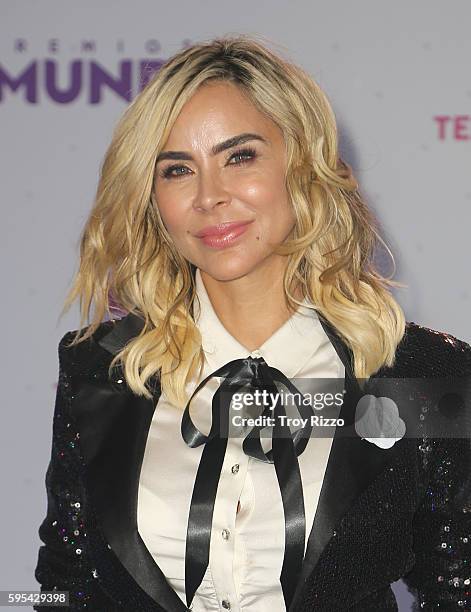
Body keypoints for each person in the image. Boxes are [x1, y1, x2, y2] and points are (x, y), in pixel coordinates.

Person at [34, 34, 471, 612]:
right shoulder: (103, 369)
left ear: (302, 164)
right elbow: (67, 587)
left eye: (240, 156)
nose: (209, 196)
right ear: (152, 197)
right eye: (177, 170)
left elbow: (458, 587)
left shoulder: (419, 373)